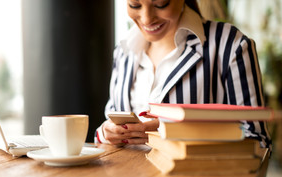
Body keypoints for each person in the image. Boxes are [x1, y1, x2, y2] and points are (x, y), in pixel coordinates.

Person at [95, 0, 271, 148]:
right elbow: (107, 129)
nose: (147, 18)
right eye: (134, 5)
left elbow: (258, 142)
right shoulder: (123, 51)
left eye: (160, 3)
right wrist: (106, 133)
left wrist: (176, 132)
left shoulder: (230, 45)